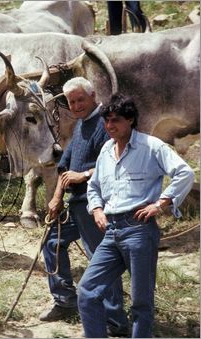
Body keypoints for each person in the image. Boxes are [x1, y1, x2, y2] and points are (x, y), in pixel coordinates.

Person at [79, 94, 194, 338]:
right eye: (107, 121)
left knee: (141, 303)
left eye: (116, 120)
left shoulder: (151, 146)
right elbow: (94, 186)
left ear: (130, 120)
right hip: (111, 231)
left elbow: (184, 173)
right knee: (88, 291)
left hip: (139, 229)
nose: (110, 126)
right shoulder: (106, 150)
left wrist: (161, 204)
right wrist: (97, 209)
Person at [39, 77, 129, 336]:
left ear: (93, 96)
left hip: (97, 205)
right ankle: (65, 300)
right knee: (52, 243)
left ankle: (115, 322)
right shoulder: (81, 126)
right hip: (75, 204)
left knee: (101, 261)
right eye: (71, 101)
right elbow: (64, 167)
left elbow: (117, 161)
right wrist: (56, 197)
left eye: (80, 99)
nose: (76, 105)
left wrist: (85, 175)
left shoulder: (107, 123)